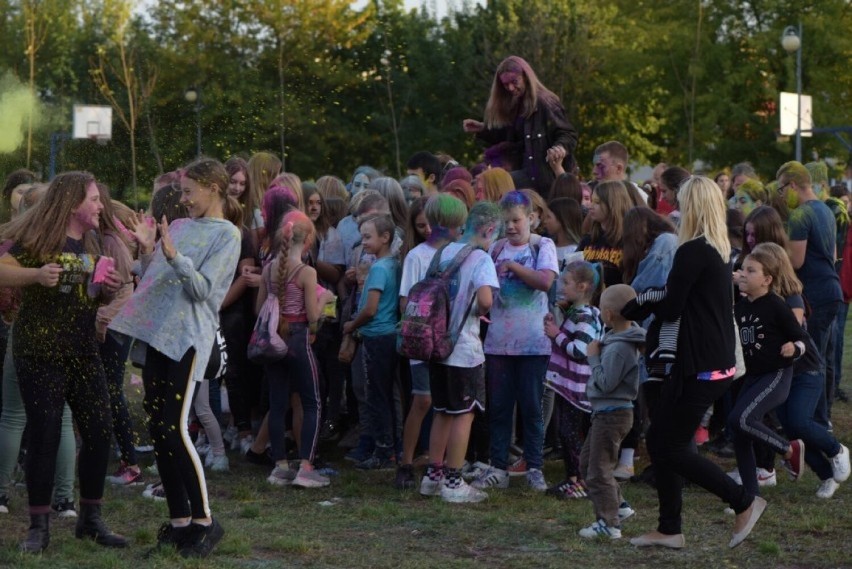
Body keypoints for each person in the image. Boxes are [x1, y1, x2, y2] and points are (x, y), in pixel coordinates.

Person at [109, 158, 241, 558]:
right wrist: (149, 251)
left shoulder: (228, 235)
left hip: (187, 339)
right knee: (159, 427)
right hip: (158, 336)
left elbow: (203, 291)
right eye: (181, 193)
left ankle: (205, 521)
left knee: (175, 427)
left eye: (188, 193)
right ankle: (180, 521)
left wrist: (173, 255)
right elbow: (157, 279)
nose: (182, 201)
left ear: (213, 188)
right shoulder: (181, 227)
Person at [629, 176, 765, 550]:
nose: (676, 207)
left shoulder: (693, 250)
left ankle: (743, 501)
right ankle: (669, 528)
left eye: (681, 201)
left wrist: (637, 302)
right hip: (714, 360)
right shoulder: (720, 250)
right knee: (661, 439)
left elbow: (672, 305)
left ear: (693, 206)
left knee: (670, 445)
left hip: (701, 364)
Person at [0, 171, 126, 552]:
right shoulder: (36, 238)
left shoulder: (89, 240)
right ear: (73, 203)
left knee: (100, 430)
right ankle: (38, 527)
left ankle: (90, 519)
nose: (100, 205)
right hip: (39, 352)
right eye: (94, 199)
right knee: (45, 435)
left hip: (83, 350)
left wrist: (106, 291)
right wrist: (36, 274)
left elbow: (87, 295)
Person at [472, 191, 558, 492]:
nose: (511, 227)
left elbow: (546, 281)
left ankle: (534, 467)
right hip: (498, 343)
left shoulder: (542, 245)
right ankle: (498, 466)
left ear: (531, 218)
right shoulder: (495, 249)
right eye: (505, 221)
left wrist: (515, 268)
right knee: (500, 408)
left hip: (534, 342)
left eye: (517, 220)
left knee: (532, 408)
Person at [419, 202, 501, 503]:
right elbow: (485, 300)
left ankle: (434, 474)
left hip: (435, 345)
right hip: (463, 349)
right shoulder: (480, 258)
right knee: (464, 414)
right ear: (489, 229)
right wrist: (481, 309)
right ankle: (454, 482)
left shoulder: (444, 252)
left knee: (442, 411)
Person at [260, 210, 334, 488]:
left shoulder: (268, 270)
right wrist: (325, 299)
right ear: (307, 243)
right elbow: (313, 317)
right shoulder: (307, 272)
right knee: (312, 401)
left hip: (273, 341)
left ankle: (279, 466)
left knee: (277, 404)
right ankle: (305, 465)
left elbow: (260, 308)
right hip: (299, 338)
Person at [397, 194, 467, 489]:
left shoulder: (463, 253)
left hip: (450, 344)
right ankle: (405, 462)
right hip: (423, 340)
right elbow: (406, 300)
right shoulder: (417, 256)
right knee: (423, 399)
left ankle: (443, 465)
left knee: (449, 405)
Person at [731, 243, 810, 495]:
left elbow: (802, 339)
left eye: (751, 271)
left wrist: (793, 348)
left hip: (776, 375)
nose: (743, 274)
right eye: (742, 269)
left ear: (767, 279)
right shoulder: (739, 307)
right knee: (737, 429)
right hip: (751, 376)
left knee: (742, 418)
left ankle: (789, 450)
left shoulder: (776, 305)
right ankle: (749, 496)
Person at [577, 284, 645, 539]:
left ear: (607, 315)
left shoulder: (619, 348)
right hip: (606, 413)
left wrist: (593, 357)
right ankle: (620, 506)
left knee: (599, 470)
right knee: (588, 463)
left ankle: (609, 524)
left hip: (612, 413)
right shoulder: (617, 340)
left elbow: (606, 383)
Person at [463, 55, 578, 198]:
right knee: (491, 184)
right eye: (505, 85)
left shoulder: (545, 102)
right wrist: (483, 129)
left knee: (495, 186)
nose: (510, 88)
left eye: (514, 81)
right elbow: (509, 136)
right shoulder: (516, 106)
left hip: (547, 179)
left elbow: (568, 133)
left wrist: (560, 147)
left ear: (526, 76)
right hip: (527, 173)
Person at [780, 161, 842, 423]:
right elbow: (834, 254)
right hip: (831, 289)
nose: (782, 196)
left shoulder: (801, 215)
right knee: (824, 358)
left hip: (815, 294)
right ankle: (823, 417)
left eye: (782, 189)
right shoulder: (826, 209)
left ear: (793, 185)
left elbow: (795, 262)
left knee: (811, 360)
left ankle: (812, 421)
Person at [343, 213, 401, 469]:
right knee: (388, 395)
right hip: (390, 336)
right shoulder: (393, 265)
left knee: (376, 396)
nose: (363, 242)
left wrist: (351, 325)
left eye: (368, 237)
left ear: (385, 237)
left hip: (377, 337)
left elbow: (370, 309)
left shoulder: (378, 268)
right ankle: (391, 448)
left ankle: (384, 451)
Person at [543, 261, 603, 500]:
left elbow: (580, 350)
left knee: (572, 434)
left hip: (578, 389)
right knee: (565, 433)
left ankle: (581, 482)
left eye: (566, 282)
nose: (561, 285)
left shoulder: (586, 317)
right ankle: (572, 479)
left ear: (582, 286)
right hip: (567, 386)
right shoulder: (574, 312)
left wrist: (556, 335)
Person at [577, 181, 633, 288]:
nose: (590, 206)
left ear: (613, 204)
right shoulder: (588, 240)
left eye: (597, 202)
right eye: (592, 201)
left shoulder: (628, 241)